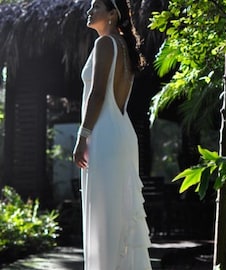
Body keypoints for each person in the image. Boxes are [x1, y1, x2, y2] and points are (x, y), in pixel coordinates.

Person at [72, 0, 152, 269]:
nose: (89, 11)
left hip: (104, 134)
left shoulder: (106, 44)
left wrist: (82, 136)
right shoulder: (124, 47)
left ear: (112, 14)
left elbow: (96, 94)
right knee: (118, 217)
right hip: (122, 132)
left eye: (96, 6)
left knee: (104, 219)